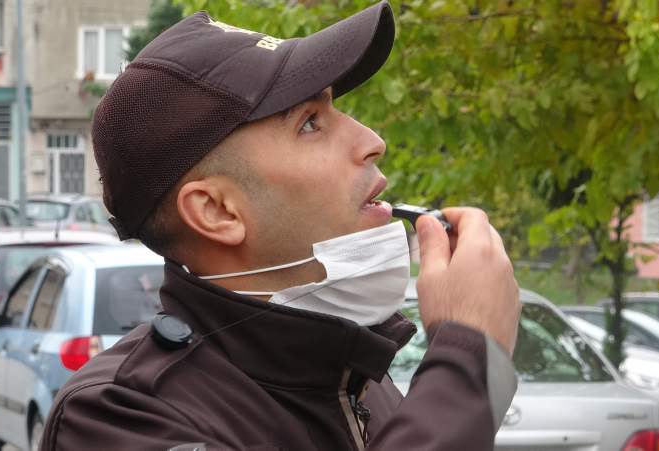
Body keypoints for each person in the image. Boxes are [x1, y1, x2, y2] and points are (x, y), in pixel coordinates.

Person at [41, 2, 521, 449]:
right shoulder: (119, 414)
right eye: (309, 122)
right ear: (217, 211)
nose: (373, 141)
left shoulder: (357, 380)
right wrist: (466, 362)